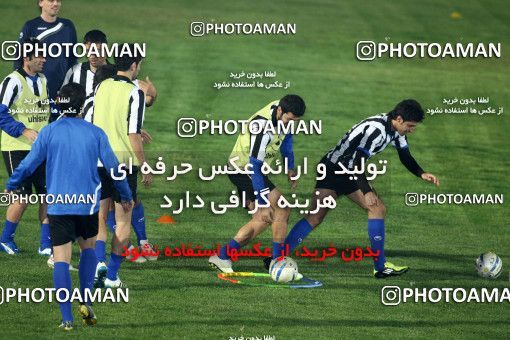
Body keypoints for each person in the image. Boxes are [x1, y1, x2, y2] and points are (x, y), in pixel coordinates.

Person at [5, 83, 133, 330]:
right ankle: (85, 300)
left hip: (59, 205)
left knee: (61, 259)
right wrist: (125, 194)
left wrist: (13, 182)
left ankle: (66, 318)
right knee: (88, 252)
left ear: (59, 104)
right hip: (86, 205)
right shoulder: (96, 133)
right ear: (83, 105)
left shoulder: (50, 131)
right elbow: (114, 169)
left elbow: (30, 163)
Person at [282, 99, 440, 278]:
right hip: (333, 170)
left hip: (348, 171)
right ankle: (278, 256)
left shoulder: (395, 129)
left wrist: (421, 173)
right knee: (316, 216)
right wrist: (367, 191)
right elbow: (358, 161)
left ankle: (380, 267)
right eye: (410, 126)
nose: (412, 130)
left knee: (377, 209)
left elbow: (405, 155)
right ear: (399, 118)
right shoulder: (377, 130)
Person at [208, 95, 306, 274]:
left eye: (295, 120)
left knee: (261, 220)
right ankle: (276, 263)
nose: (290, 124)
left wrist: (290, 167)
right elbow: (255, 165)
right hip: (243, 170)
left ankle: (223, 256)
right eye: (289, 119)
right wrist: (262, 202)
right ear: (279, 111)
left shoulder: (285, 114)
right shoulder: (262, 128)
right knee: (281, 209)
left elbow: (286, 142)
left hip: (248, 170)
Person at [90, 44, 152, 288]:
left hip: (97, 161)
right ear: (134, 66)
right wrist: (144, 164)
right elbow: (132, 133)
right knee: (123, 220)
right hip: (123, 165)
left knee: (100, 217)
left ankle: (98, 264)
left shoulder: (101, 86)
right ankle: (112, 276)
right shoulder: (134, 92)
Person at [0, 38, 51, 256]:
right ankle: (5, 239)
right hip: (16, 147)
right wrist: (23, 130)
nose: (44, 59)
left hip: (40, 149)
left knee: (47, 196)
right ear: (26, 58)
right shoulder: (12, 81)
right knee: (22, 198)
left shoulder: (43, 79)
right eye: (39, 55)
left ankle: (46, 244)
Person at [16, 0, 77, 107]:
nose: (55, 4)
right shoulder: (30, 26)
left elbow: (72, 60)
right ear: (40, 3)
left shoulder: (68, 26)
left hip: (61, 90)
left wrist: (69, 89)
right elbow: (19, 59)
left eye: (58, 1)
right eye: (50, 0)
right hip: (35, 90)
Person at [61, 29, 108, 96]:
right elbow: (62, 99)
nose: (92, 56)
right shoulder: (74, 71)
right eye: (88, 50)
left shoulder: (116, 73)